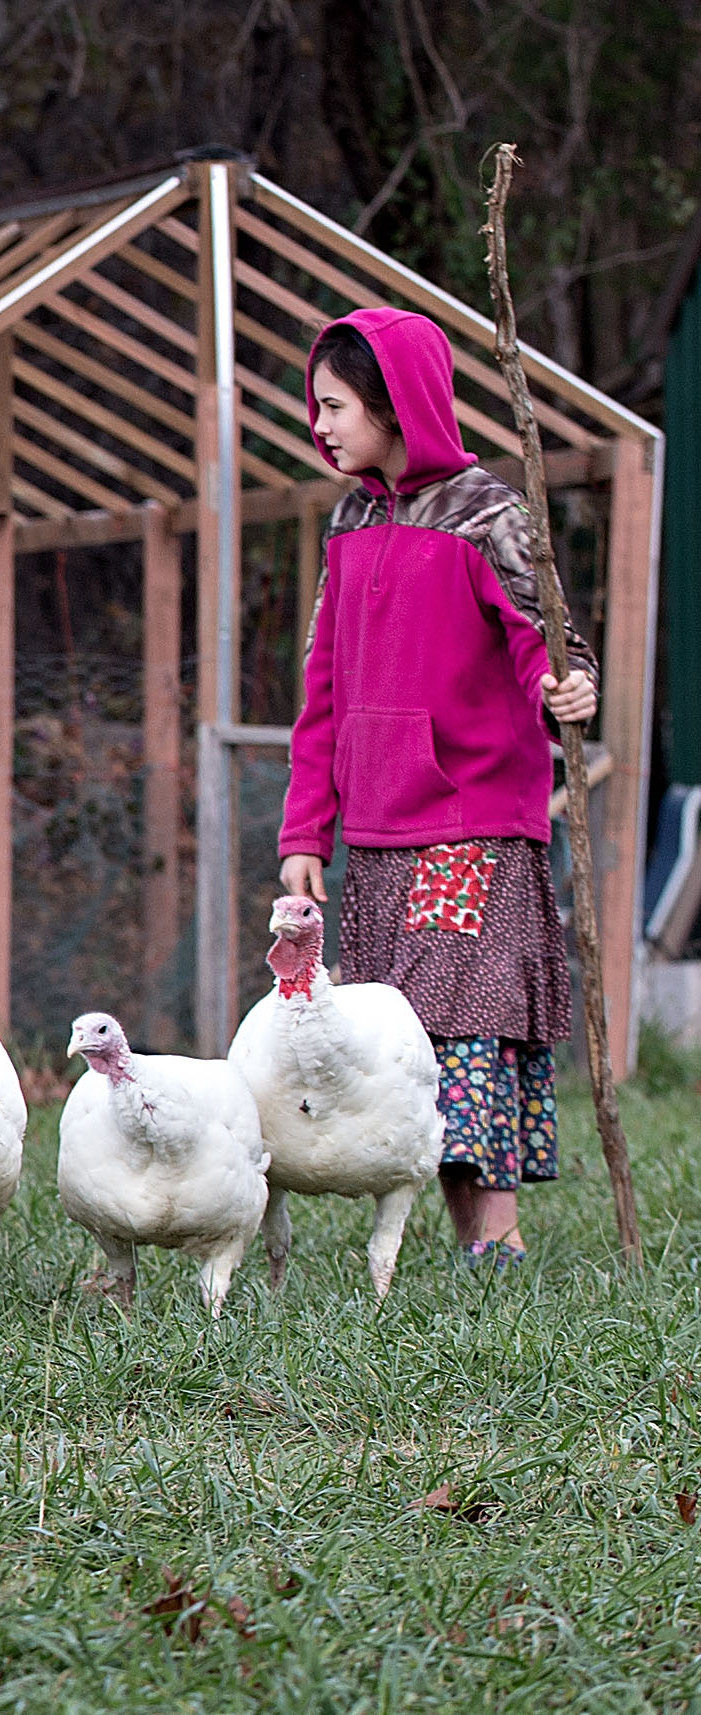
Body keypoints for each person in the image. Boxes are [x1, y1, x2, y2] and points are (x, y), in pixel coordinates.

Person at [278, 306, 603, 1265]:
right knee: (413, 1044)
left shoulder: (488, 515)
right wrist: (306, 835)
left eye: (337, 407)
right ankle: (475, 1253)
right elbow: (321, 692)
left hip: (471, 825)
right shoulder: (348, 522)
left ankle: (496, 1248)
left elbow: (550, 644)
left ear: (395, 404)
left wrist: (566, 684)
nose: (322, 426)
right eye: (317, 406)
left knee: (463, 1027)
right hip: (377, 835)